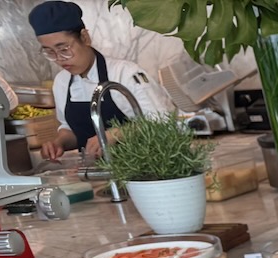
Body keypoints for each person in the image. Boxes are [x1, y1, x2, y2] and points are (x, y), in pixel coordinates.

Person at [28, 1, 173, 161]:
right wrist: (60, 142)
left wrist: (117, 134)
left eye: (64, 49)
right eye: (50, 52)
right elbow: (70, 129)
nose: (60, 59)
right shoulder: (62, 82)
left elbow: (162, 122)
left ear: (85, 37)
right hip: (97, 172)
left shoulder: (124, 73)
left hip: (144, 168)